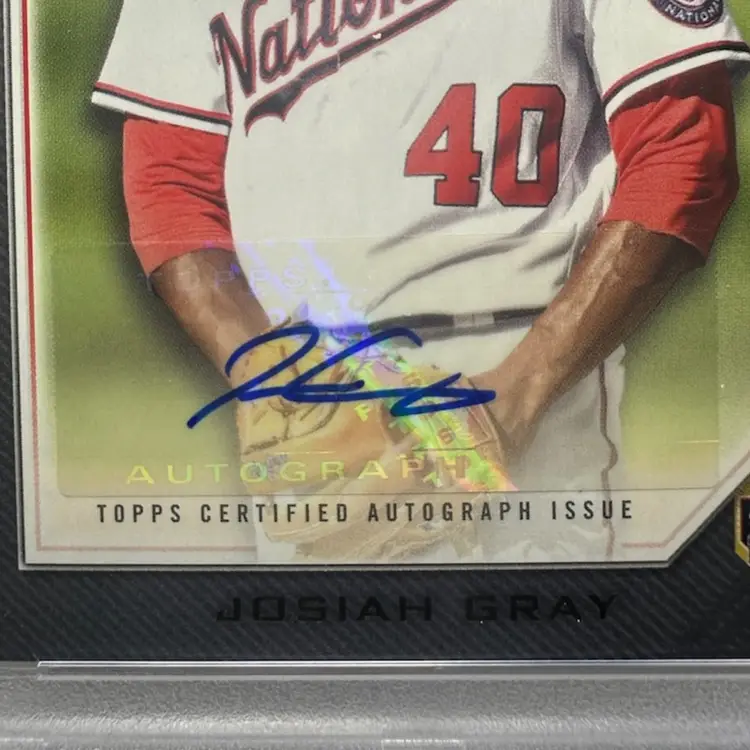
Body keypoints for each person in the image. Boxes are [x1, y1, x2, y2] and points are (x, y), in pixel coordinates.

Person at [92, 0, 750, 562]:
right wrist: (264, 373)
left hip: (523, 368)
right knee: (309, 664)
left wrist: (513, 403)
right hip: (314, 392)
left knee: (534, 661)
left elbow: (682, 151)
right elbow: (172, 185)